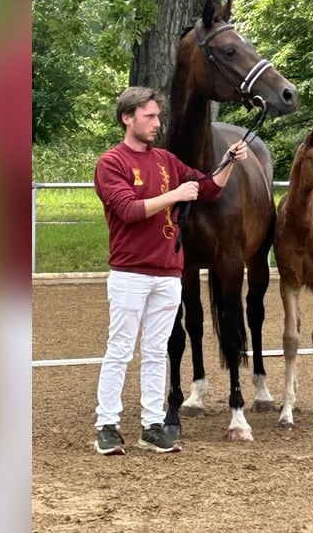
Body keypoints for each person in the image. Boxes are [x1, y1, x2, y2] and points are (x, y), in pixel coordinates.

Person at [92, 86, 248, 455]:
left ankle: (152, 424)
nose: (157, 124)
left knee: (156, 349)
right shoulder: (111, 163)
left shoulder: (166, 160)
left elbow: (208, 189)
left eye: (158, 117)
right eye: (149, 117)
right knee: (120, 349)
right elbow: (129, 210)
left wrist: (228, 162)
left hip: (168, 272)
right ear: (127, 118)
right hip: (130, 272)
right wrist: (176, 194)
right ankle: (107, 424)